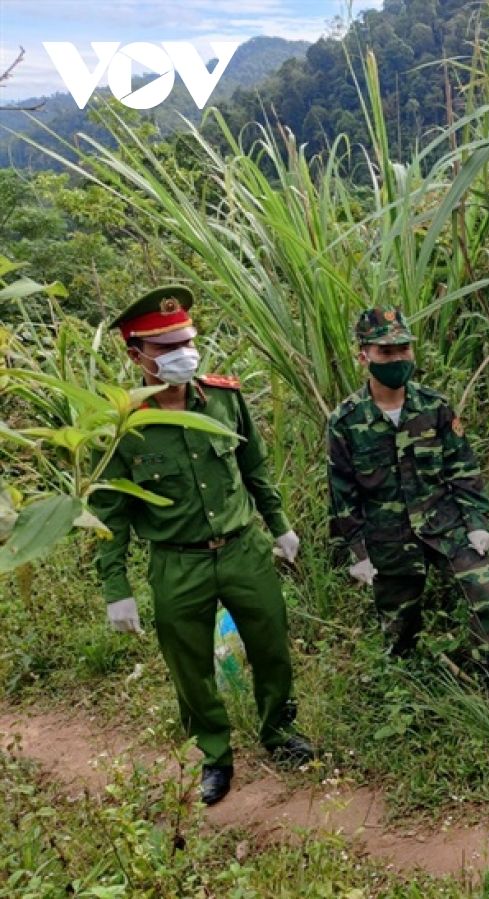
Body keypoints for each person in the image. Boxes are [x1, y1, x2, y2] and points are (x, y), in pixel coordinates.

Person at [91, 285, 315, 807]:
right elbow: (112, 513)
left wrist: (279, 525)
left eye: (185, 342)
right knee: (189, 668)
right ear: (136, 355)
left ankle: (279, 734)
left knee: (272, 649)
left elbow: (253, 466)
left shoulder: (224, 398)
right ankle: (216, 755)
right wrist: (115, 586)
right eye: (165, 348)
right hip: (178, 562)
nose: (180, 355)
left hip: (243, 550)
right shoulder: (124, 424)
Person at [326, 306, 489, 668]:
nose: (398, 358)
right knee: (400, 635)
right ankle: (408, 693)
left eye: (404, 349)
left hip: (443, 524)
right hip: (389, 538)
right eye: (386, 351)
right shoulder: (346, 421)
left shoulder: (434, 406)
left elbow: (463, 468)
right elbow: (342, 492)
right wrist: (358, 552)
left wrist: (476, 522)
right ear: (363, 355)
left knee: (488, 595)